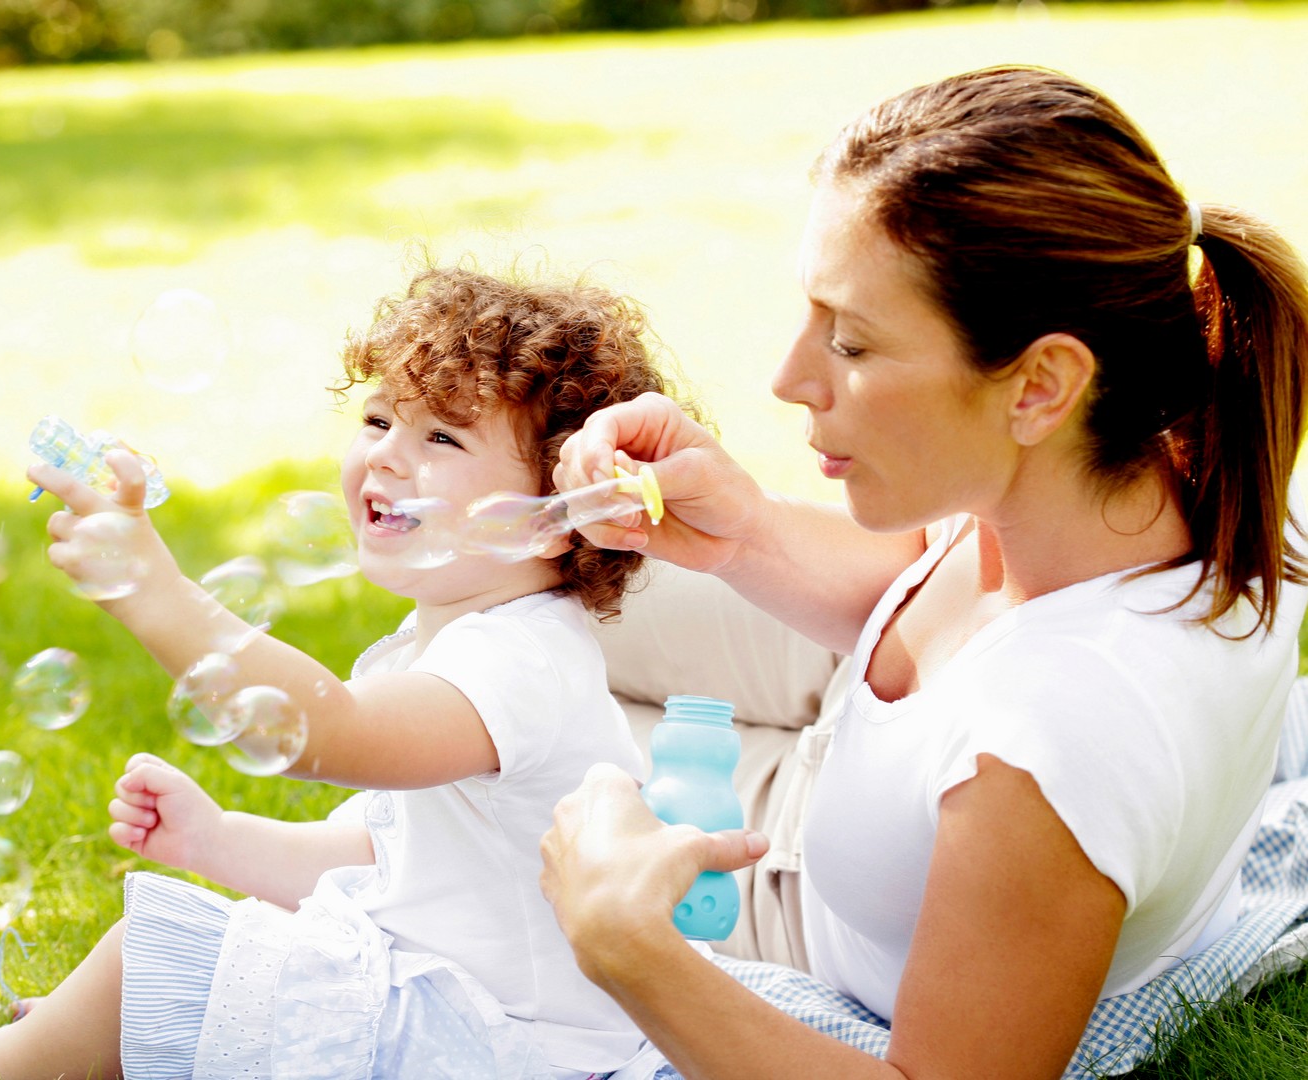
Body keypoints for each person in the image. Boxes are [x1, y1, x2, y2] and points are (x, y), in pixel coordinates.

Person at [538, 65, 1308, 1079]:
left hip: (808, 897)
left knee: (490, 716)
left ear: (1040, 385)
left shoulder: (1053, 748)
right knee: (520, 613)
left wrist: (625, 947)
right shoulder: (1143, 478)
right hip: (850, 791)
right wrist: (743, 533)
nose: (787, 379)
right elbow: (927, 583)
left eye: (850, 343)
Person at [0, 265, 695, 1080]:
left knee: (157, 949)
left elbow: (333, 732)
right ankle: (91, 1039)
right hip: (463, 1019)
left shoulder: (524, 660)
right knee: (217, 951)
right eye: (378, 420)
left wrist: (153, 590)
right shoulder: (446, 643)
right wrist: (216, 840)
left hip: (519, 1052)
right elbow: (385, 863)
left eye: (441, 436)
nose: (387, 454)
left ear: (555, 514)